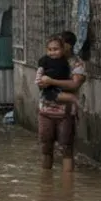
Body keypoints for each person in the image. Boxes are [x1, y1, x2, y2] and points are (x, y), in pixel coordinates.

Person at [36, 31, 87, 172]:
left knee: (66, 148)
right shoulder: (47, 60)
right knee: (46, 147)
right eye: (52, 47)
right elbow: (39, 80)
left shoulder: (76, 63)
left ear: (68, 46)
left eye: (60, 44)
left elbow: (75, 84)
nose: (56, 49)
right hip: (45, 110)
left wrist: (52, 81)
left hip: (66, 112)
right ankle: (46, 184)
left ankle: (67, 187)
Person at [37, 36, 76, 105]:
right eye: (49, 50)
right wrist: (40, 79)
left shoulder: (65, 60)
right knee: (72, 98)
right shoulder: (45, 60)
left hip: (62, 88)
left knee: (71, 101)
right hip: (51, 91)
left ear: (63, 49)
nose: (52, 52)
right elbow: (40, 72)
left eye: (55, 49)